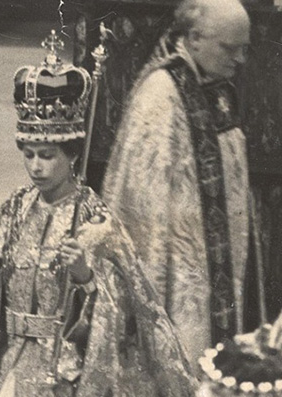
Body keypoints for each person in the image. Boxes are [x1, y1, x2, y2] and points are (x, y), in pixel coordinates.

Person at [0, 32, 206, 397]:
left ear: (71, 154)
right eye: (28, 153)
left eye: (47, 155)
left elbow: (122, 314)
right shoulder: (14, 208)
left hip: (63, 376)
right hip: (8, 365)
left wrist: (85, 277)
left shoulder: (95, 217)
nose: (35, 166)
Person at [102, 0, 251, 367]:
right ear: (195, 38)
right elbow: (141, 212)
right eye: (230, 49)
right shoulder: (160, 96)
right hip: (177, 278)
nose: (241, 60)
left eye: (245, 49)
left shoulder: (216, 85)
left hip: (214, 272)